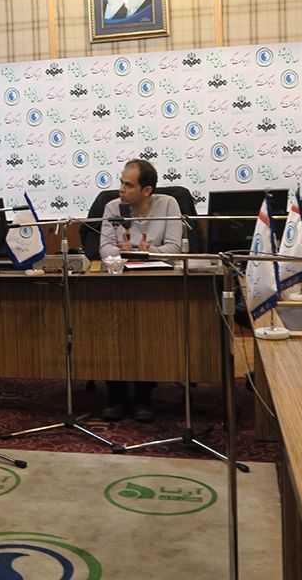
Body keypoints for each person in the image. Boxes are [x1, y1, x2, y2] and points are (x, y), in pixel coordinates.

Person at [99, 159, 182, 422]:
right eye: (121, 182)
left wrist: (145, 252)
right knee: (111, 330)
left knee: (149, 329)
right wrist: (127, 253)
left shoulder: (168, 204)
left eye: (128, 185)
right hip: (118, 283)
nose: (121, 189)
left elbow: (175, 249)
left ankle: (144, 394)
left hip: (155, 284)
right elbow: (104, 249)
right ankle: (116, 394)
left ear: (146, 190)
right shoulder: (112, 207)